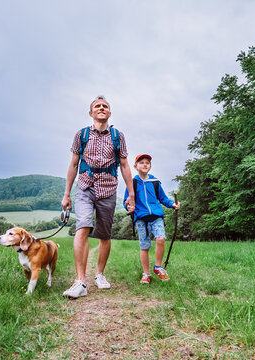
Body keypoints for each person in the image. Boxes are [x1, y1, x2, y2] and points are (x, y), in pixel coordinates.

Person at [61, 95, 135, 299]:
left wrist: (131, 194)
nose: (101, 108)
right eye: (97, 106)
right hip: (85, 186)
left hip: (109, 188)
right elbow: (74, 164)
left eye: (105, 106)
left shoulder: (118, 136)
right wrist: (66, 194)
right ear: (91, 112)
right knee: (82, 227)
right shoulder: (81, 134)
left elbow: (125, 165)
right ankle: (80, 281)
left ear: (109, 113)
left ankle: (99, 275)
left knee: (104, 235)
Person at [123, 154, 180, 284]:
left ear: (150, 166)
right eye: (141, 162)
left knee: (160, 239)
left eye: (147, 162)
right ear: (135, 166)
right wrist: (128, 207)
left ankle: (158, 267)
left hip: (156, 216)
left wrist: (172, 204)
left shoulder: (155, 182)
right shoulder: (132, 183)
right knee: (145, 246)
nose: (145, 164)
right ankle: (146, 274)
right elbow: (127, 202)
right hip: (141, 218)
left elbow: (163, 198)